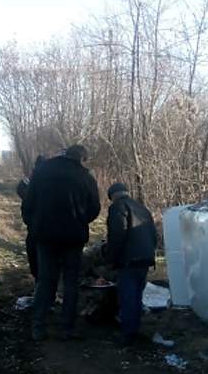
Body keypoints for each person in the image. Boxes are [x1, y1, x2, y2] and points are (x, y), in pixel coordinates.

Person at [23, 144, 100, 341]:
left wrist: (34, 224)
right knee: (71, 282)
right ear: (82, 158)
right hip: (73, 237)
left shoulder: (42, 170)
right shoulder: (85, 177)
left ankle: (38, 326)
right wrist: (80, 220)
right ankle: (67, 328)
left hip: (45, 235)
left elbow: (28, 202)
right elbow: (94, 208)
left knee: (45, 280)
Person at [104, 182, 157, 346]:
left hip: (129, 260)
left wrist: (110, 259)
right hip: (145, 258)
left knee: (127, 297)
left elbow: (117, 235)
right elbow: (154, 236)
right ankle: (134, 329)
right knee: (136, 296)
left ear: (112, 197)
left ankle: (128, 335)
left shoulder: (117, 208)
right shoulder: (142, 208)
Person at [16, 155, 44, 281]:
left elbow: (22, 193)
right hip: (39, 227)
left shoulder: (32, 181)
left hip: (36, 228)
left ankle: (40, 289)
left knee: (38, 262)